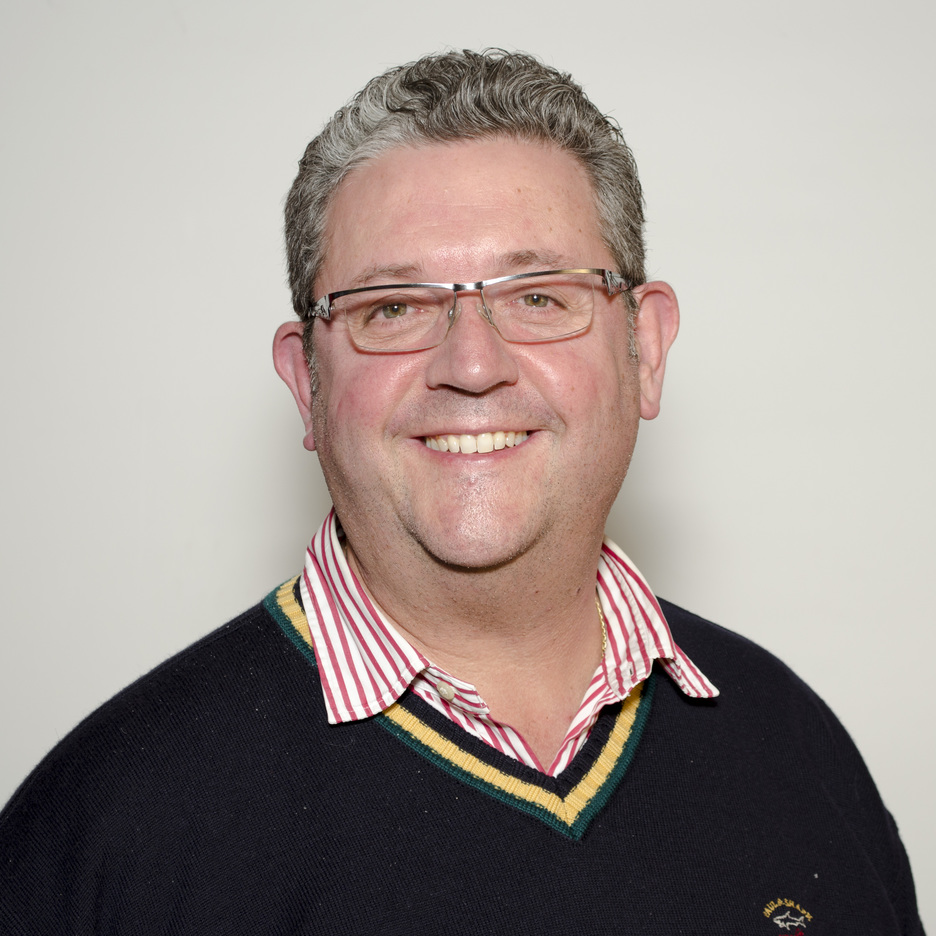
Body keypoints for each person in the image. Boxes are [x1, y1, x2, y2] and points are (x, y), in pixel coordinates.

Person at [0, 49, 923, 934]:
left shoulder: (795, 748)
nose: (472, 365)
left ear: (644, 351)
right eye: (393, 308)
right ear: (305, 382)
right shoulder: (101, 833)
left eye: (539, 296)